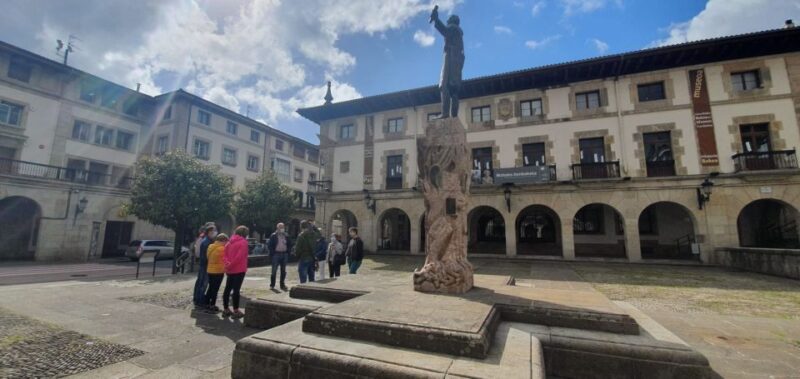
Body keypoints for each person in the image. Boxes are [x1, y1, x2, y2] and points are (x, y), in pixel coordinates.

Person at [222, 226, 249, 319]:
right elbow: (239, 257)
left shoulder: (229, 242)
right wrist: (231, 265)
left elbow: (224, 255)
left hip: (230, 270)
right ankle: (236, 310)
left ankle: (226, 309)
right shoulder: (243, 242)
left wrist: (228, 264)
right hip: (239, 269)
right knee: (236, 290)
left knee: (227, 289)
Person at [193, 224, 216, 308]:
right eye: (213, 231)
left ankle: (197, 299)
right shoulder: (207, 242)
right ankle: (200, 301)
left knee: (200, 283)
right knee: (203, 284)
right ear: (209, 232)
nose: (214, 232)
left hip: (204, 265)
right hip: (205, 266)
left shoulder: (207, 240)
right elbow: (206, 256)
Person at [204, 233, 228, 312]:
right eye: (226, 241)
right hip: (218, 271)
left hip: (210, 270)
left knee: (210, 288)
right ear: (223, 240)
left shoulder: (210, 246)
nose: (226, 243)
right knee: (215, 289)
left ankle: (206, 303)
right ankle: (212, 305)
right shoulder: (222, 249)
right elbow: (225, 260)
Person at [267, 223, 292, 291]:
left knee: (283, 270)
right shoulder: (273, 235)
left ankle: (282, 284)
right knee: (274, 270)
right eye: (280, 227)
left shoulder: (286, 235)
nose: (282, 228)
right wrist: (273, 253)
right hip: (276, 254)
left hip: (284, 254)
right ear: (277, 228)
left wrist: (288, 252)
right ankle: (272, 285)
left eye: (283, 227)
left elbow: (290, 244)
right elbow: (270, 245)